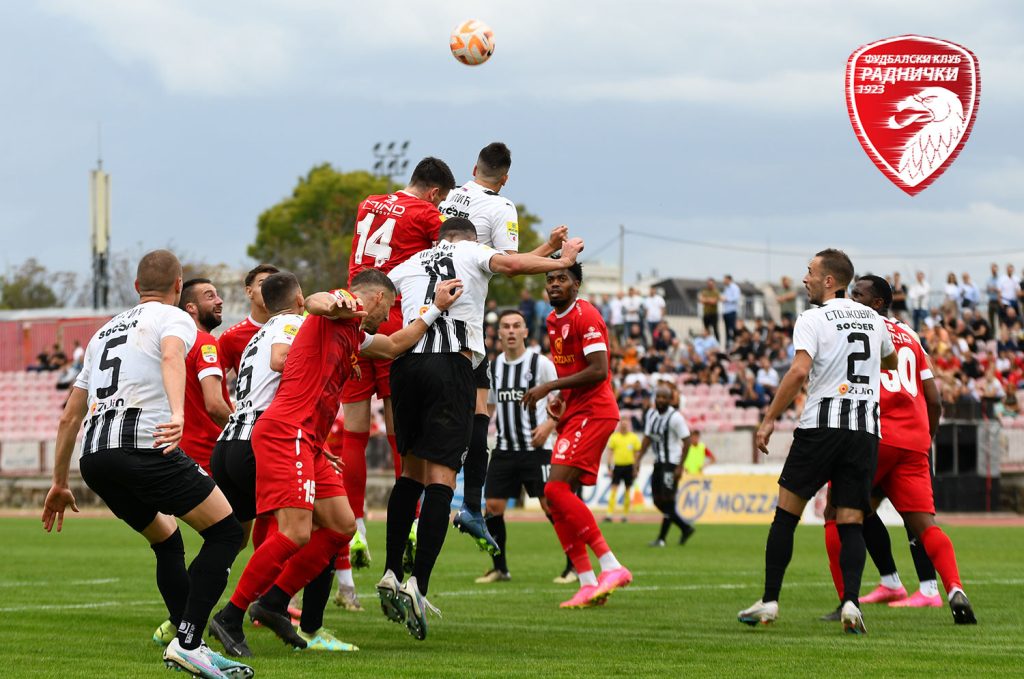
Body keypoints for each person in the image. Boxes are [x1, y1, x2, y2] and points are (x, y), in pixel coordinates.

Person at [211, 270, 464, 653]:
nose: (389, 315)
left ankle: (275, 601)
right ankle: (230, 616)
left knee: (341, 526)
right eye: (390, 307)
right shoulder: (337, 310)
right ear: (376, 299)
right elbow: (315, 303)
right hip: (286, 432)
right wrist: (333, 301)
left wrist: (433, 311)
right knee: (294, 532)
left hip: (308, 441)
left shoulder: (354, 333)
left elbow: (395, 344)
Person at [42, 249, 251, 678]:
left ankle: (188, 639)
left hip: (96, 458)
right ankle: (189, 642)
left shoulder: (101, 334)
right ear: (178, 288)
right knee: (227, 532)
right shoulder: (173, 318)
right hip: (143, 448)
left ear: (137, 287)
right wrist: (177, 414)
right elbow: (173, 357)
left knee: (167, 541)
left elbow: (70, 413)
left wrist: (59, 482)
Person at [379, 217, 582, 639]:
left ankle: (390, 570)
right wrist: (560, 259)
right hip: (450, 365)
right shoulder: (472, 252)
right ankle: (419, 585)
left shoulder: (410, 262)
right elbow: (509, 265)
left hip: (404, 366)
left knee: (409, 473)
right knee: (440, 479)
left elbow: (379, 294)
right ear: (472, 239)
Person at [738, 248, 897, 635]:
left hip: (821, 427)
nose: (805, 278)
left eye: (810, 273)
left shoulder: (813, 318)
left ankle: (770, 601)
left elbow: (799, 371)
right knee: (851, 521)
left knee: (786, 514)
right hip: (863, 431)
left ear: (830, 280)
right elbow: (890, 361)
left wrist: (769, 418)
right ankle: (852, 604)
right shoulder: (875, 320)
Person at [209, 272, 355, 652]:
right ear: (299, 299)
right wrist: (329, 358)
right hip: (270, 436)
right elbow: (281, 360)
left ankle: (195, 615)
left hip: (235, 439)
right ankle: (264, 617)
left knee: (326, 524)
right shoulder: (294, 322)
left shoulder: (256, 332)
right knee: (295, 530)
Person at [819, 275, 976, 625]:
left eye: (858, 294)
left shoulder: (853, 330)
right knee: (924, 525)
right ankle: (953, 589)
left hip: (872, 436)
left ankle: (848, 602)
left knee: (835, 514)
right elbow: (933, 398)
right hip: (914, 442)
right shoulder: (911, 335)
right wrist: (925, 439)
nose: (851, 298)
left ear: (877, 303)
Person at [439, 143, 569, 557]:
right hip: (463, 326)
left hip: (422, 318)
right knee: (477, 416)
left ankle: (415, 519)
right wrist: (559, 257)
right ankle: (470, 506)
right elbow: (509, 264)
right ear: (506, 177)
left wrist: (546, 247)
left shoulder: (449, 195)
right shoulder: (501, 207)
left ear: (473, 167)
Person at [340, 156, 456, 572]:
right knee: (399, 426)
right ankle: (411, 522)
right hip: (390, 311)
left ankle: (355, 526)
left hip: (353, 311)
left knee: (352, 431)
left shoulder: (369, 202)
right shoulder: (427, 212)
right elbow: (450, 252)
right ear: (436, 192)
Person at [522, 259, 633, 610]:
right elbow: (574, 370)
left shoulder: (586, 316)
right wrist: (560, 401)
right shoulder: (554, 320)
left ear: (576, 285)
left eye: (562, 279)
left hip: (596, 411)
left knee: (554, 490)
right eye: (549, 279)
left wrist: (550, 386)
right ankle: (586, 582)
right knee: (554, 496)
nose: (554, 284)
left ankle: (611, 566)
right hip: (576, 411)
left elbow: (599, 371)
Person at [473, 309, 559, 583]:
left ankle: (574, 565)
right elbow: (489, 405)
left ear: (525, 332)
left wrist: (549, 425)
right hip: (505, 449)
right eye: (506, 327)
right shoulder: (493, 367)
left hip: (538, 449)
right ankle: (500, 568)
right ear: (499, 334)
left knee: (552, 507)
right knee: (493, 507)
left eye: (516, 326)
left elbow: (562, 398)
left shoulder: (540, 364)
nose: (511, 331)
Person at [178, 279, 233, 475]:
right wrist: (242, 435)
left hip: (181, 454)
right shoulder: (205, 342)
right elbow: (215, 405)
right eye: (210, 296)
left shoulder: (174, 344)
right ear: (191, 308)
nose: (219, 301)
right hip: (208, 456)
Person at [636, 386, 695, 547]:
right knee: (657, 500)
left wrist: (679, 467)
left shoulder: (676, 418)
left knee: (668, 500)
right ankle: (685, 527)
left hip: (671, 463)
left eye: (664, 397)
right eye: (659, 397)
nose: (661, 400)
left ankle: (662, 539)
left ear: (670, 400)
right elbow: (647, 438)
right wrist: (638, 460)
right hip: (658, 462)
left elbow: (688, 441)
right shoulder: (651, 414)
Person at [217, 264, 280, 377]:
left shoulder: (293, 328)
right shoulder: (231, 337)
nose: (270, 289)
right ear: (249, 292)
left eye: (276, 285)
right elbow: (214, 379)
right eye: (263, 284)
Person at [604, 416, 641, 523]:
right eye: (622, 423)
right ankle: (609, 514)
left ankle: (625, 515)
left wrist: (636, 468)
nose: (624, 425)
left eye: (626, 423)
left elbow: (636, 454)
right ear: (620, 425)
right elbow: (610, 453)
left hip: (629, 466)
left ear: (628, 425)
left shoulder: (633, 438)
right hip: (618, 466)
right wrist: (609, 467)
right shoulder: (615, 437)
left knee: (627, 491)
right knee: (613, 490)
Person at [721, 275, 741, 346]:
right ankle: (728, 343)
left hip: (732, 311)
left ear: (729, 279)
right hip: (726, 311)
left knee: (732, 329)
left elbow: (736, 298)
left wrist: (726, 299)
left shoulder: (734, 287)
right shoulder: (726, 288)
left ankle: (735, 342)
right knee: (727, 330)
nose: (723, 281)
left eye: (725, 279)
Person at [985, 262, 1001, 329]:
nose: (994, 270)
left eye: (995, 269)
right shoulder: (988, 279)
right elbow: (987, 291)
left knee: (1000, 319)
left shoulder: (1000, 279)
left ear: (997, 269)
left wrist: (995, 289)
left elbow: (1000, 289)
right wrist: (990, 289)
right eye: (992, 269)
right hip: (991, 301)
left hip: (998, 301)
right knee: (991, 320)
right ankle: (992, 336)